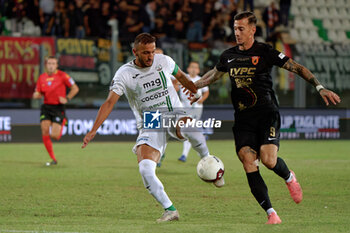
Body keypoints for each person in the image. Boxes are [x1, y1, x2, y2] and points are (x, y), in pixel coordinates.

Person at [192, 11, 341, 224]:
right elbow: (213, 75)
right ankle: (271, 213)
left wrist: (320, 87)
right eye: (235, 28)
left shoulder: (265, 51)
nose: (237, 33)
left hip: (266, 114)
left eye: (241, 29)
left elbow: (297, 67)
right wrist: (193, 85)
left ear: (253, 30)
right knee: (248, 161)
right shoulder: (228, 55)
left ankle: (289, 177)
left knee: (269, 161)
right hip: (243, 119)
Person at [82, 33, 224, 223]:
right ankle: (170, 210)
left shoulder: (163, 61)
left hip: (172, 111)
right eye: (146, 53)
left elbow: (181, 76)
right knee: (146, 170)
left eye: (152, 51)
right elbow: (109, 103)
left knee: (190, 126)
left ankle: (209, 161)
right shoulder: (124, 74)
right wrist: (93, 130)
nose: (150, 56)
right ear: (135, 52)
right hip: (151, 121)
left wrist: (194, 90)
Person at [33, 56, 79, 166]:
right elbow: (38, 92)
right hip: (46, 107)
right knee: (44, 130)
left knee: (55, 136)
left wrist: (67, 98)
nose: (51, 65)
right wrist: (36, 95)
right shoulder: (42, 78)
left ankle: (63, 121)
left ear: (56, 65)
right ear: (46, 65)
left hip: (58, 107)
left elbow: (75, 88)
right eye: (49, 63)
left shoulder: (63, 76)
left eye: (53, 63)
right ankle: (53, 158)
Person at [178, 61, 209, 162]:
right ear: (188, 69)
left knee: (188, 129)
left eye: (196, 67)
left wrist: (202, 100)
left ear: (199, 70)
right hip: (184, 106)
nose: (193, 69)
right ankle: (202, 147)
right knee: (187, 130)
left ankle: (184, 155)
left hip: (196, 108)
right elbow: (174, 86)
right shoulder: (183, 77)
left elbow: (206, 92)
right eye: (192, 67)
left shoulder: (201, 79)